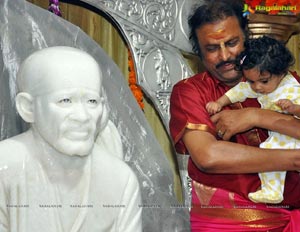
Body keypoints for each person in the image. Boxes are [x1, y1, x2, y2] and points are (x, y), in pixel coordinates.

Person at [169, 0, 300, 231]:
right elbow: (209, 156)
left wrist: (257, 117)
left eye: (232, 43)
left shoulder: (284, 81)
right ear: (198, 52)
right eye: (211, 48)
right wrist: (295, 159)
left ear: (247, 38)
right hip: (230, 222)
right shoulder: (191, 91)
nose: (225, 55)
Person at [0, 46, 142, 232]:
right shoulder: (6, 166)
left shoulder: (120, 179)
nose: (82, 117)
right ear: (28, 107)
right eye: (65, 101)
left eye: (92, 101)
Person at [206, 36, 300, 204]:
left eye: (263, 81)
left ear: (281, 72)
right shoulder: (261, 85)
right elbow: (239, 91)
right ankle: (273, 191)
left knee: (270, 151)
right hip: (280, 135)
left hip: (293, 138)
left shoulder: (292, 88)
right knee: (268, 150)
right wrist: (219, 103)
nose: (257, 87)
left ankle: (273, 190)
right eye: (251, 81)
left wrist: (293, 108)